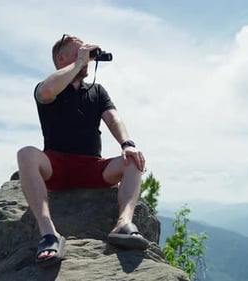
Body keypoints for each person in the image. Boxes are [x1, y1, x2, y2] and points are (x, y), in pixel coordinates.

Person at [16, 34, 149, 267]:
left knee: (133, 159)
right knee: (25, 153)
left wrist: (127, 143)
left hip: (92, 167)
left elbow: (113, 118)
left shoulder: (97, 91)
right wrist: (78, 63)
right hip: (56, 166)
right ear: (61, 58)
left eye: (86, 54)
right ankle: (49, 234)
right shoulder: (48, 87)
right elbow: (47, 91)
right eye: (79, 52)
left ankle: (123, 224)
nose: (86, 58)